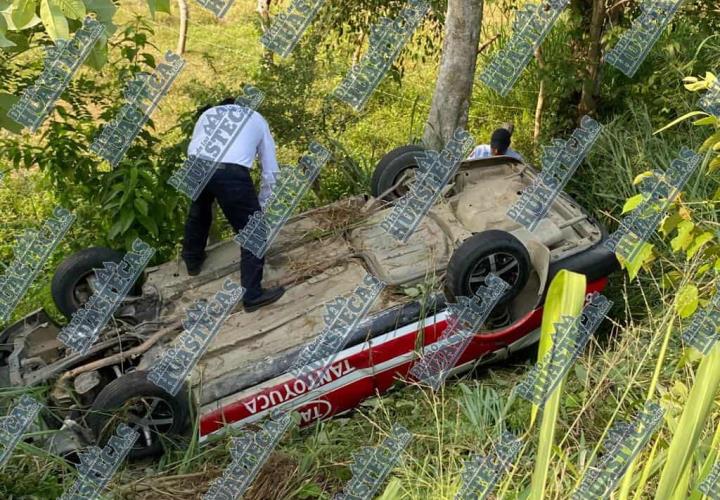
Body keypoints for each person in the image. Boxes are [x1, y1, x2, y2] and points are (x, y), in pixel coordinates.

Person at [181, 97, 285, 313]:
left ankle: (192, 261)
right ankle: (253, 295)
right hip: (230, 172)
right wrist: (262, 207)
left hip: (196, 164)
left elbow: (194, 146)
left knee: (199, 212)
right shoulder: (256, 118)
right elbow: (270, 170)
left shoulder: (207, 114)